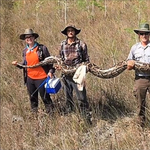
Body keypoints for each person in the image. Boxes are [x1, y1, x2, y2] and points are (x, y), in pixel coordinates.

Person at [12, 29, 55, 117]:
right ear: (25, 39)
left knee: (45, 97)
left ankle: (51, 115)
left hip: (42, 77)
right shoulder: (25, 51)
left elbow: (50, 62)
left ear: (34, 37)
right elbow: (25, 65)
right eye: (27, 37)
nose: (29, 38)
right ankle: (34, 115)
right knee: (32, 97)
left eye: (30, 36)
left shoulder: (42, 48)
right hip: (30, 78)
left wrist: (51, 72)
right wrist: (17, 65)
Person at [57, 24, 92, 125]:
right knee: (68, 97)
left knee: (81, 97)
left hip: (78, 75)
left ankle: (86, 118)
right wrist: (59, 66)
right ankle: (70, 118)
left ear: (75, 32)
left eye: (72, 30)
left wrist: (84, 68)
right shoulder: (62, 44)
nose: (70, 32)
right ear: (66, 33)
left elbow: (86, 60)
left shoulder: (81, 44)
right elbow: (59, 58)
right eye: (68, 31)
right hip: (65, 75)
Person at [127, 23, 150, 127]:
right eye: (142, 34)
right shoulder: (134, 48)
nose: (144, 36)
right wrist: (130, 62)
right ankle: (141, 127)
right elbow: (128, 61)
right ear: (139, 35)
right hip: (140, 79)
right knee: (140, 105)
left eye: (146, 33)